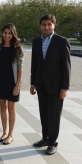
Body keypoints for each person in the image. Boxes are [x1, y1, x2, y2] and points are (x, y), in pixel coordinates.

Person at [30, 14, 71, 155]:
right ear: (40, 26)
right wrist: (32, 84)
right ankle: (45, 138)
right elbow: (34, 64)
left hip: (56, 86)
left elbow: (66, 66)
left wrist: (64, 87)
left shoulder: (61, 42)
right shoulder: (36, 42)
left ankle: (53, 143)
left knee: (54, 115)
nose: (46, 27)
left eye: (49, 24)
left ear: (54, 25)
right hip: (41, 85)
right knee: (44, 114)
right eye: (43, 24)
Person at [0, 23, 24, 145]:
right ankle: (4, 132)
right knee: (2, 107)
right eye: (5, 33)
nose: (7, 35)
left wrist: (17, 85)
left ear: (13, 34)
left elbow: (20, 68)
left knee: (11, 108)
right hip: (1, 81)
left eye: (10, 33)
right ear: (2, 34)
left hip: (12, 82)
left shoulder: (18, 49)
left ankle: (10, 134)